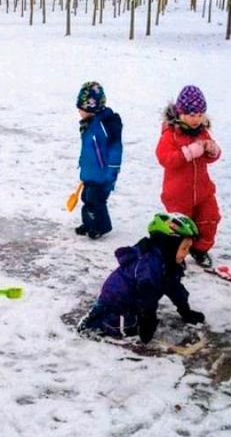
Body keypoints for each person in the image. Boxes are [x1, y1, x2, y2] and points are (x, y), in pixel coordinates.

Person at [77, 212, 205, 343]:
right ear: (169, 246)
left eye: (188, 248)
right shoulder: (150, 265)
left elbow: (173, 287)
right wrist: (147, 320)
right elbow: (147, 296)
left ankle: (114, 314)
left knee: (139, 317)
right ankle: (98, 317)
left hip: (134, 298)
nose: (187, 253)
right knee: (129, 328)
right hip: (117, 300)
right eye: (184, 248)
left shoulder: (169, 262)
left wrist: (185, 311)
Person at [155, 85, 221, 268]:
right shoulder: (170, 134)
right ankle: (175, 256)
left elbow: (212, 157)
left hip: (203, 190)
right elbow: (165, 158)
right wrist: (188, 152)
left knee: (210, 218)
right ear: (180, 113)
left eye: (200, 115)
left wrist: (212, 150)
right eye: (192, 115)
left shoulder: (202, 132)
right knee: (179, 226)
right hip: (178, 194)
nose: (196, 119)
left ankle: (200, 249)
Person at [75, 81, 123, 240]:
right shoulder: (88, 124)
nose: (79, 111)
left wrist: (113, 170)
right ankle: (89, 224)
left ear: (91, 108)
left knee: (96, 201)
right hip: (90, 172)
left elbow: (115, 148)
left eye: (81, 107)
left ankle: (101, 227)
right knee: (86, 198)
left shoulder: (104, 125)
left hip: (103, 174)